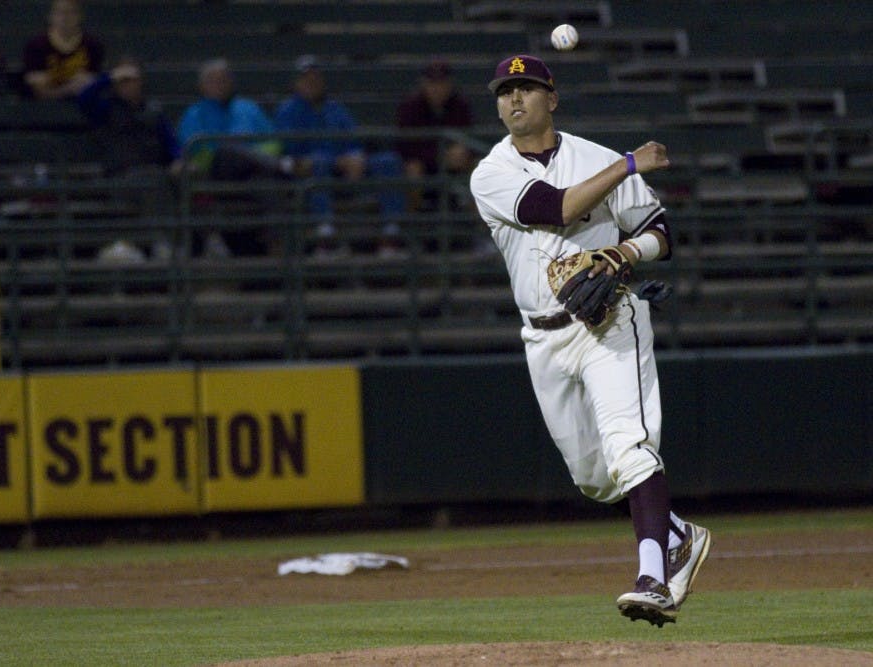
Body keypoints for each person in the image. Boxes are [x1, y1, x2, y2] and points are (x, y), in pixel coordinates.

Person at [469, 55, 712, 627]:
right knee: (594, 478)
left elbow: (660, 232)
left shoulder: (594, 156)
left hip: (609, 321)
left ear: (552, 99)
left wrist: (626, 253)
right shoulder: (491, 172)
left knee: (629, 447)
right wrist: (630, 164)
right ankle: (676, 532)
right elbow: (553, 208)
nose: (515, 99)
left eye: (527, 88)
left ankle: (653, 575)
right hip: (543, 337)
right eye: (505, 91)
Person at [274, 55, 405, 258]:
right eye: (306, 78)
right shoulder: (288, 110)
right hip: (311, 169)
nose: (312, 82)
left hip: (344, 167)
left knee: (387, 161)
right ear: (296, 83)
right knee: (318, 162)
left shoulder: (335, 108)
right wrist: (337, 160)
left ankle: (391, 233)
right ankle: (326, 236)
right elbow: (291, 148)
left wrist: (356, 157)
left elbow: (353, 140)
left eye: (316, 78)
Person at [177, 58, 301, 257]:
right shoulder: (194, 114)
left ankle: (279, 246)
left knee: (267, 185)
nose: (219, 84)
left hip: (250, 175)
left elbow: (274, 143)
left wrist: (250, 156)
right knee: (228, 150)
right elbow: (192, 150)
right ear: (202, 86)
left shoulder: (249, 108)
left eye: (223, 79)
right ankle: (283, 167)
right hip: (215, 173)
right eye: (212, 80)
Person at [77, 56, 184, 263]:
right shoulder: (105, 110)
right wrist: (109, 77)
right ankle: (163, 244)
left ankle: (168, 244)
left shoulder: (153, 110)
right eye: (122, 80)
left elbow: (171, 142)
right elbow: (84, 98)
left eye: (132, 79)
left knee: (165, 180)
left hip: (157, 176)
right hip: (121, 177)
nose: (128, 85)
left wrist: (178, 159)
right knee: (152, 181)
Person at [395, 59, 476, 212]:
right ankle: (413, 224)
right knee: (413, 171)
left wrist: (463, 152)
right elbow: (405, 146)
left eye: (442, 83)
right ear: (423, 84)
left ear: (450, 84)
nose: (437, 88)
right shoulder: (410, 106)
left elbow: (471, 140)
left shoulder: (461, 105)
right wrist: (440, 156)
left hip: (455, 164)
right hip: (423, 165)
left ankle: (479, 228)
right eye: (432, 83)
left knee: (481, 171)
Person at [22, 0, 104, 100]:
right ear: (50, 16)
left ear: (80, 16)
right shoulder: (35, 46)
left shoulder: (93, 46)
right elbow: (37, 91)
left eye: (71, 12)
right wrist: (69, 89)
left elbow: (96, 86)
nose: (65, 17)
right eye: (59, 12)